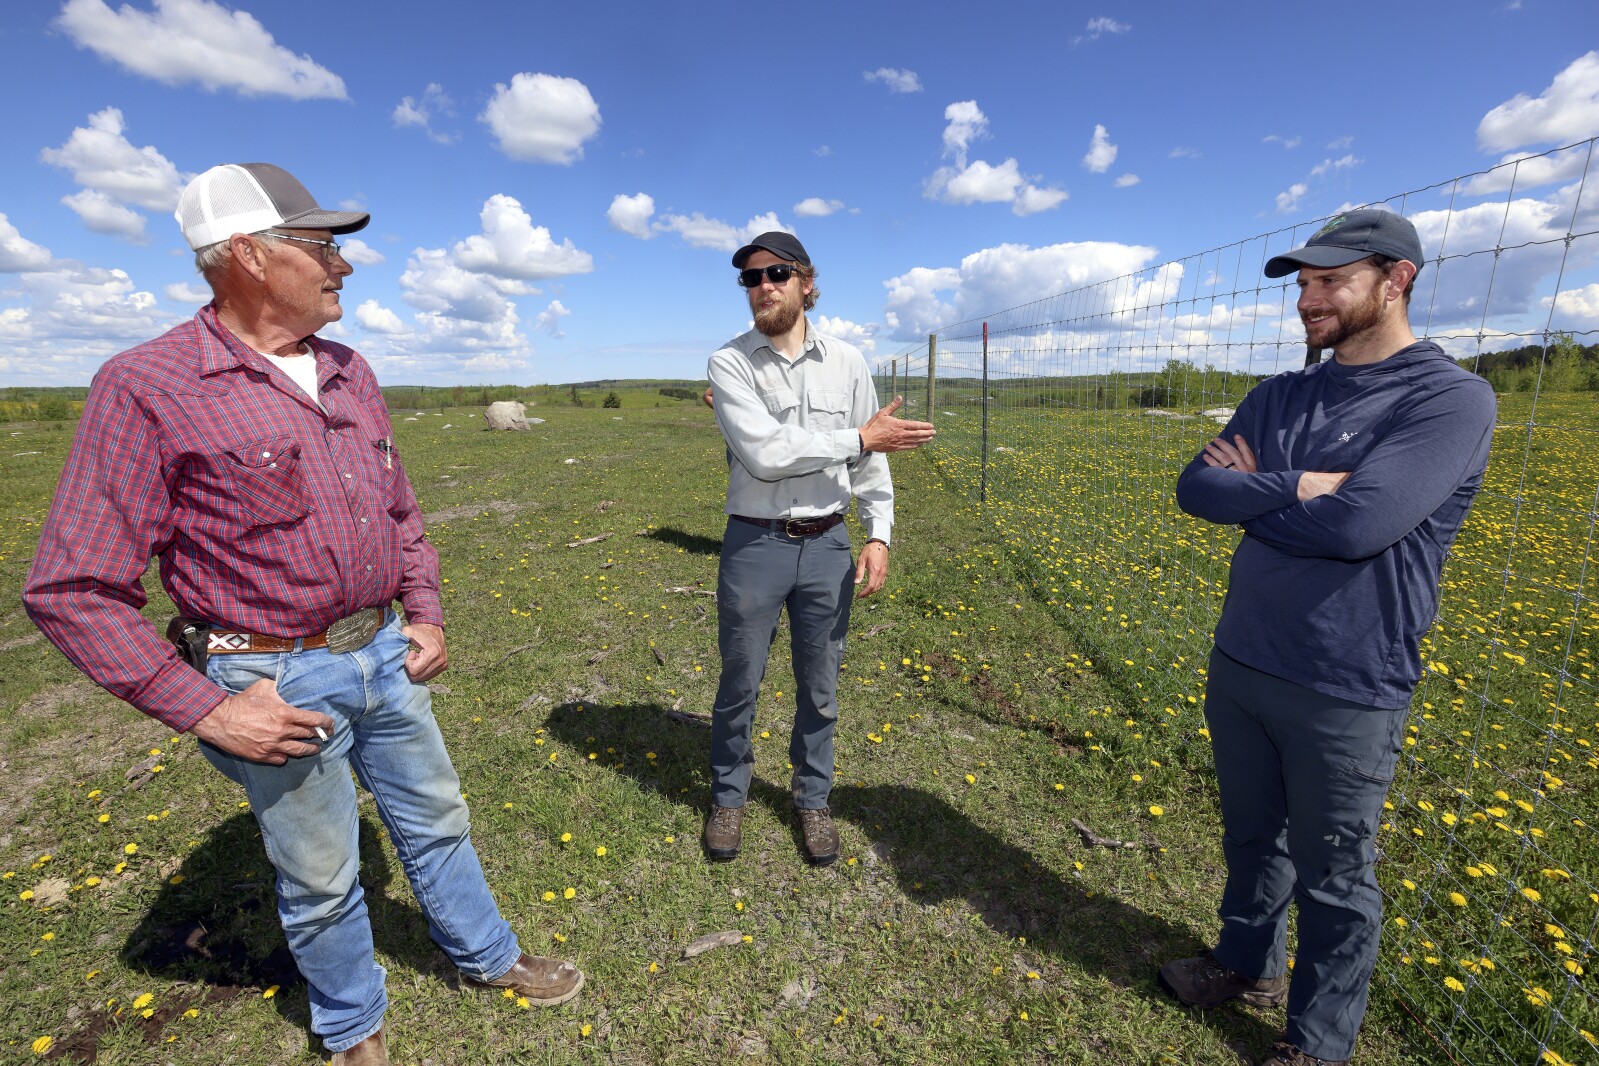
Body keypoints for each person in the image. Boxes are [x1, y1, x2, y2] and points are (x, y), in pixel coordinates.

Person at [24, 163, 582, 1066]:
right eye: (321, 246)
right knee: (320, 874)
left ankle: (488, 954)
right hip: (271, 679)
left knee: (438, 818)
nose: (343, 266)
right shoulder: (148, 385)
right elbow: (72, 588)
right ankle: (352, 1026)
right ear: (247, 254)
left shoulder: (348, 370)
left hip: (384, 654)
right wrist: (208, 710)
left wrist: (424, 609)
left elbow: (398, 509)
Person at [1165, 209, 1496, 1066]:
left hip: (1346, 677)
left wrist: (1257, 494)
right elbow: (1195, 490)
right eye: (1303, 284)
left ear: (1396, 280)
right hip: (1243, 656)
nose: (1308, 300)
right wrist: (1302, 484)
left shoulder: (1446, 399)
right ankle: (1245, 962)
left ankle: (1316, 1043)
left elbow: (1359, 527)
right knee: (1250, 835)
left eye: (1330, 282)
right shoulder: (1280, 393)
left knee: (1334, 873)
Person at [703, 231, 935, 865]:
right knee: (740, 679)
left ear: (806, 282)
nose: (763, 286)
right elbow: (766, 452)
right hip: (755, 542)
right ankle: (729, 797)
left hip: (829, 542)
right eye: (751, 278)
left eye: (776, 273)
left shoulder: (849, 363)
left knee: (821, 685)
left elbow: (873, 462)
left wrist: (878, 533)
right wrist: (857, 439)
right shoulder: (729, 364)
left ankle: (812, 799)